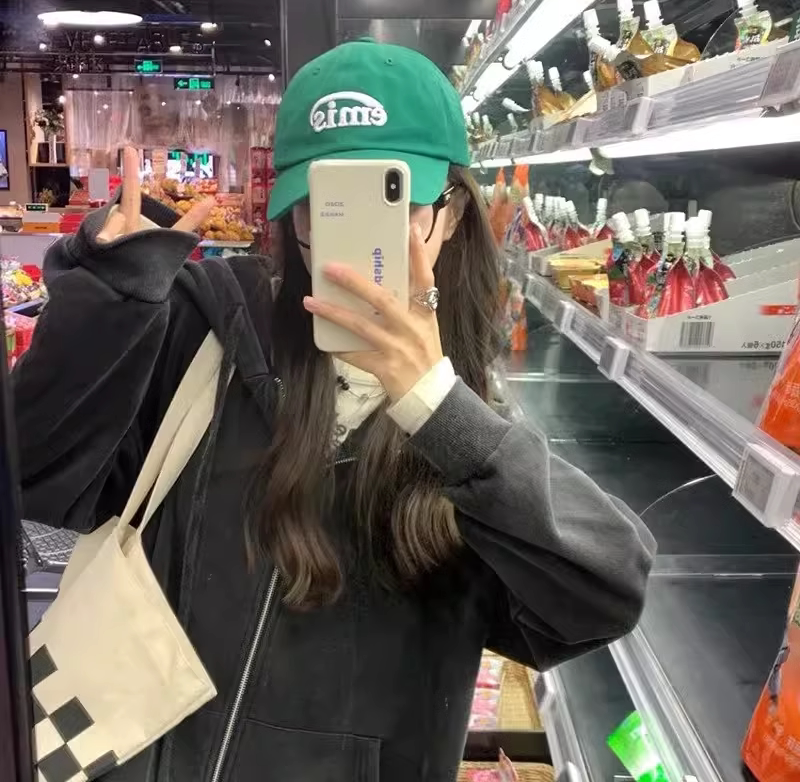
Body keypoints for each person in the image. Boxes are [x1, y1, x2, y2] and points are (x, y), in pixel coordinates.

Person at [15, 39, 656, 782]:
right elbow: (36, 482)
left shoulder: (470, 433)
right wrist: (106, 301)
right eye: (323, 206)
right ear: (292, 216)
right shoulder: (204, 329)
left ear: (451, 215)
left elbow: (606, 595)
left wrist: (435, 406)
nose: (349, 242)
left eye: (394, 203)